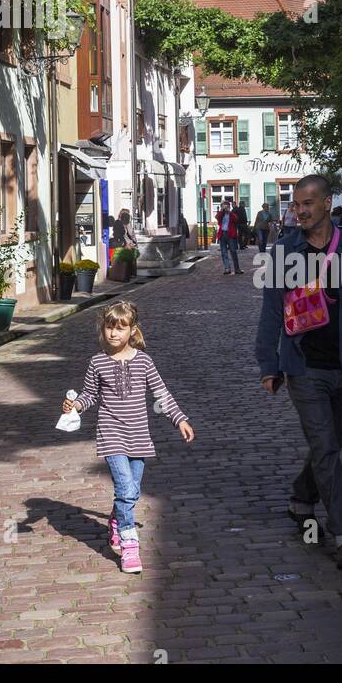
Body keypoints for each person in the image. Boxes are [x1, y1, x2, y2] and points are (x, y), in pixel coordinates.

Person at [255, 173, 342, 569]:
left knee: (327, 446)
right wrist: (269, 362)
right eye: (296, 204)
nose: (299, 211)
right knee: (326, 447)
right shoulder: (283, 253)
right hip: (303, 367)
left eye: (307, 204)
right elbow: (270, 314)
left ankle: (302, 496)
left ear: (327, 203)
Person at [62, 300, 194, 574]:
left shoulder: (144, 361)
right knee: (125, 490)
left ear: (132, 330)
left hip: (139, 436)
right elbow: (90, 395)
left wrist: (179, 418)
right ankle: (129, 544)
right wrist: (76, 405)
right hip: (110, 433)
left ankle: (115, 519)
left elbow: (161, 395)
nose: (113, 333)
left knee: (131, 491)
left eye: (120, 328)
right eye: (109, 327)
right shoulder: (97, 362)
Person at [213, 199, 242, 275]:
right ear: (222, 207)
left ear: (229, 207)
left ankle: (237, 269)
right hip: (222, 234)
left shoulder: (232, 214)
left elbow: (236, 219)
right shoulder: (221, 214)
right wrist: (222, 211)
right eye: (223, 206)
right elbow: (217, 217)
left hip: (230, 235)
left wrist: (229, 212)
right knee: (224, 252)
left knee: (233, 251)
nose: (225, 207)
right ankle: (227, 268)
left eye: (227, 206)